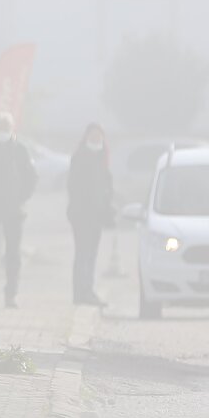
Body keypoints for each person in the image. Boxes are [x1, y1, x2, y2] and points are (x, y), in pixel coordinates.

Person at [0, 111, 38, 309]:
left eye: (6, 127)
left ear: (12, 128)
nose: (3, 131)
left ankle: (11, 293)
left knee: (13, 253)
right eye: (0, 127)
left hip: (14, 209)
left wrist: (22, 197)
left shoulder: (20, 150)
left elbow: (31, 177)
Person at [66, 124, 113, 306]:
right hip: (81, 215)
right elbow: (74, 187)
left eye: (99, 137)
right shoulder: (80, 157)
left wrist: (107, 206)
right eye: (93, 137)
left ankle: (88, 290)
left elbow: (106, 185)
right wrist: (81, 209)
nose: (96, 140)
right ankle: (80, 292)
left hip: (97, 216)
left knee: (92, 254)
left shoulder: (103, 157)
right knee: (82, 253)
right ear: (86, 137)